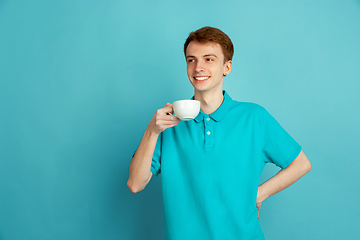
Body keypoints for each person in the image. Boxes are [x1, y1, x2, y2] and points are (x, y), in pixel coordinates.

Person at [127, 26, 311, 240]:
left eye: (209, 59)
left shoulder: (254, 117)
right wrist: (152, 131)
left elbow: (301, 164)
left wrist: (259, 193)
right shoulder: (168, 123)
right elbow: (135, 184)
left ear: (227, 67)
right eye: (191, 60)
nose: (198, 68)